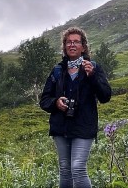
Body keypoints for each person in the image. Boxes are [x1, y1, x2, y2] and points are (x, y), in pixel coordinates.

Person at [40, 26, 112, 188]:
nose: (72, 45)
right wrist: (56, 102)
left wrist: (92, 76)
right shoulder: (57, 70)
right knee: (65, 170)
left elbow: (105, 96)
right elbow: (44, 100)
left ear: (83, 47)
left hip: (83, 126)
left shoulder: (93, 67)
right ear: (64, 46)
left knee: (78, 168)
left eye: (76, 42)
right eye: (68, 42)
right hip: (61, 126)